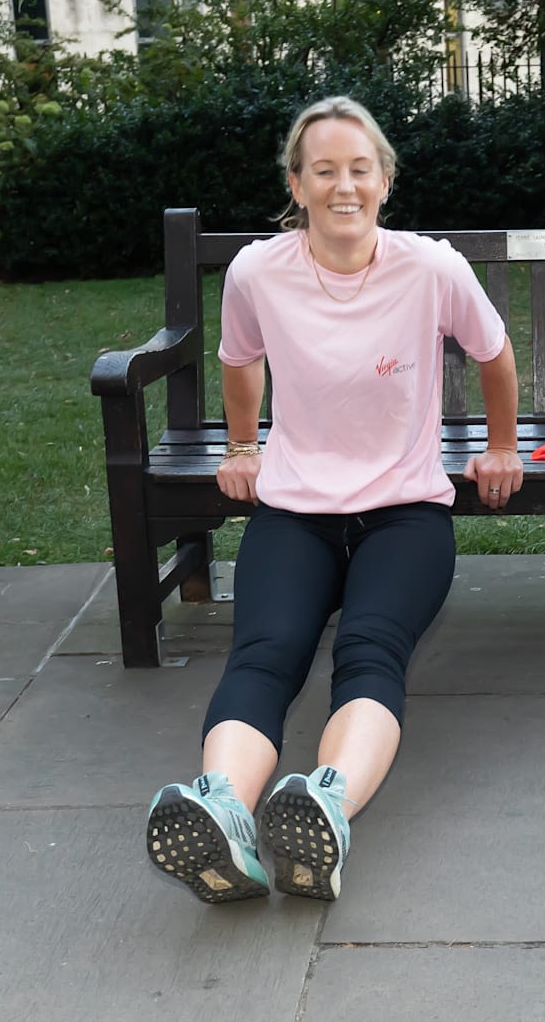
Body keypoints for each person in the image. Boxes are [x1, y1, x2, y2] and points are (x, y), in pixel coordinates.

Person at [144, 97, 523, 904]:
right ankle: (223, 814)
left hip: (406, 511)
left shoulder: (431, 268)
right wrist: (243, 446)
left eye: (360, 169)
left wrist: (499, 445)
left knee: (371, 651)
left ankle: (324, 804)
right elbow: (239, 357)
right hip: (295, 510)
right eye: (325, 170)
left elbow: (493, 353)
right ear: (298, 182)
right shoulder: (257, 272)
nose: (343, 185)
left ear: (385, 181)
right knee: (265, 653)